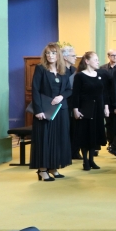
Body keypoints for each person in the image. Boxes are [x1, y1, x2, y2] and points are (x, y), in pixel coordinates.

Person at [30, 43, 72, 182]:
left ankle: (53, 167)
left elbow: (69, 89)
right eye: (48, 53)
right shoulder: (40, 69)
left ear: (58, 55)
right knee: (45, 140)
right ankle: (42, 169)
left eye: (53, 53)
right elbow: (35, 90)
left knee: (58, 140)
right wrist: (38, 110)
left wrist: (62, 96)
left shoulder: (64, 70)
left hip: (61, 111)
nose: (50, 56)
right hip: (45, 111)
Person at [71, 52, 108, 171]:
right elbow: (75, 94)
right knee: (85, 135)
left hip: (97, 109)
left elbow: (103, 93)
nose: (98, 61)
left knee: (94, 135)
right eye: (95, 59)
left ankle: (92, 160)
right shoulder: (79, 76)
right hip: (85, 109)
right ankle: (85, 161)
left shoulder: (100, 74)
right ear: (87, 61)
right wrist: (75, 109)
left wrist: (106, 107)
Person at [61, 44, 81, 160]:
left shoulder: (74, 70)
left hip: (74, 103)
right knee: (65, 129)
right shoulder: (59, 70)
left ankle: (74, 151)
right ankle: (65, 152)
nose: (75, 58)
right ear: (65, 57)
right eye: (73, 56)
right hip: (64, 103)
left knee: (75, 128)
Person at [100, 49, 116, 157]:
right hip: (106, 99)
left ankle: (114, 145)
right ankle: (110, 142)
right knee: (108, 123)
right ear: (108, 56)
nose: (115, 57)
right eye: (113, 55)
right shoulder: (103, 69)